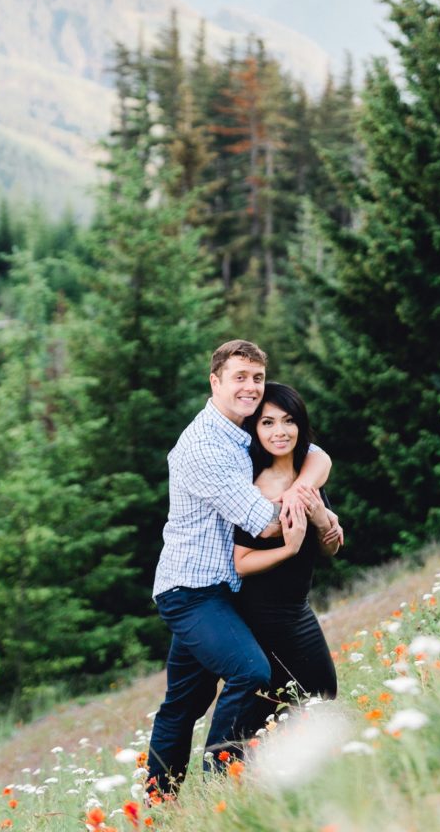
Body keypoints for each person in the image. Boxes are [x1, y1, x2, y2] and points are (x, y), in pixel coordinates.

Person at [147, 340, 338, 794]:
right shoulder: (205, 448)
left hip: (223, 590)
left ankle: (159, 804)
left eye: (256, 377)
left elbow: (311, 451)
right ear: (215, 382)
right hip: (192, 591)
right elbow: (267, 524)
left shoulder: (242, 429)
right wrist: (309, 511)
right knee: (251, 673)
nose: (250, 387)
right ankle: (219, 785)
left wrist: (303, 486)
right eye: (239, 377)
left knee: (183, 704)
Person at [233, 382, 339, 737]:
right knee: (271, 708)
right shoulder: (253, 487)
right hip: (264, 613)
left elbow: (332, 547)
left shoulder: (307, 476)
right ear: (255, 429)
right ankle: (230, 772)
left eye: (288, 421)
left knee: (322, 695)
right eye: (267, 423)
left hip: (298, 608)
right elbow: (241, 562)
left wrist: (322, 518)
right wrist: (287, 549)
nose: (280, 431)